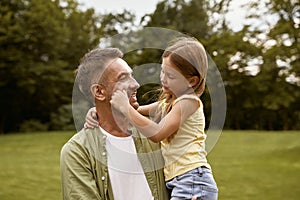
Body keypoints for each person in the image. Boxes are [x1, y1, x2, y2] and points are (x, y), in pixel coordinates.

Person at [86, 37, 218, 200]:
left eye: (171, 75)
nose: (163, 78)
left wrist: (125, 108)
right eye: (163, 71)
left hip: (192, 180)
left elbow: (157, 133)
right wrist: (98, 110)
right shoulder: (168, 103)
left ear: (191, 81)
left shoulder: (189, 102)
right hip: (180, 180)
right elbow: (137, 111)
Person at [60, 47, 169, 200]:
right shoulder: (77, 152)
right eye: (123, 78)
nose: (136, 84)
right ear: (99, 92)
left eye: (132, 76)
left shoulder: (155, 133)